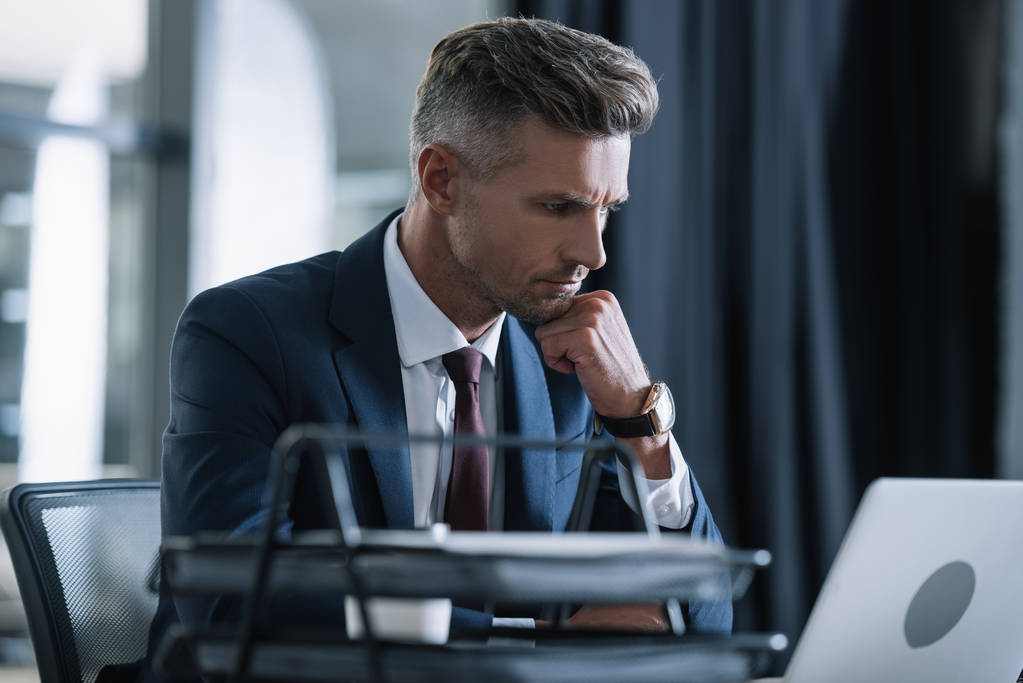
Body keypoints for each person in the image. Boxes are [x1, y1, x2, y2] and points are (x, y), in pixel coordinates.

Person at [139, 16, 731, 680]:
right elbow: (231, 606)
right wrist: (523, 638)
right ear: (441, 179)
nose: (591, 253)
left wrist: (639, 420)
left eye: (606, 209)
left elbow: (696, 614)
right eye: (557, 207)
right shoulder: (249, 333)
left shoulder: (571, 362)